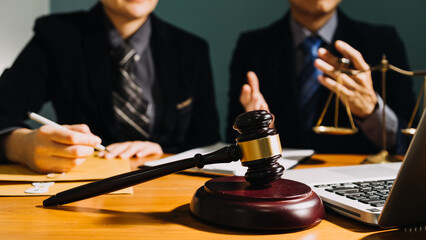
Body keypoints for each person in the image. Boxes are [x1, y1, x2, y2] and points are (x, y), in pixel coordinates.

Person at [0, 0, 220, 173]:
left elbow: (206, 140)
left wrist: (166, 152)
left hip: (168, 189)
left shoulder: (191, 50)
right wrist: (21, 147)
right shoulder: (57, 36)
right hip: (84, 189)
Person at [226, 0, 416, 155]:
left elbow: (410, 143)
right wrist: (256, 133)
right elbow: (231, 140)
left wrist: (371, 111)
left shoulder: (383, 42)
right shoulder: (252, 48)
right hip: (283, 188)